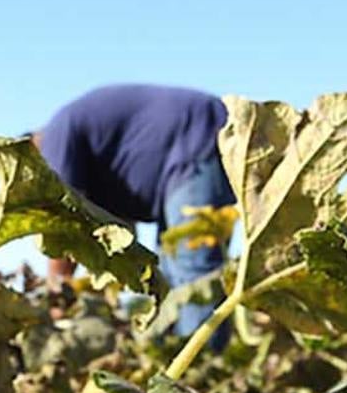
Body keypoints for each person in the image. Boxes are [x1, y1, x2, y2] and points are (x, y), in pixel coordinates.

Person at [33, 84, 237, 337]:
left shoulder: (54, 136)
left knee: (193, 274)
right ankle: (178, 358)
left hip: (196, 137)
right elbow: (122, 236)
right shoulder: (90, 154)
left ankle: (206, 367)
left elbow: (62, 223)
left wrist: (57, 296)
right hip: (183, 155)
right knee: (170, 279)